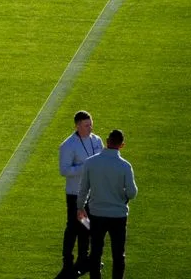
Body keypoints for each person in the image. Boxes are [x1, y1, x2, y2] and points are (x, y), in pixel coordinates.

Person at [77, 129, 138, 279]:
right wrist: (121, 196)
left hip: (97, 214)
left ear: (106, 140)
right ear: (122, 145)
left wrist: (80, 207)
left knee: (96, 252)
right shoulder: (125, 166)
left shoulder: (91, 162)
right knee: (118, 254)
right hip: (118, 215)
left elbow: (83, 188)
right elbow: (132, 193)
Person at [56, 111, 104, 278]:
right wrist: (85, 168)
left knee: (87, 226)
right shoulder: (68, 145)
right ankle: (67, 262)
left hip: (93, 194)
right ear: (77, 125)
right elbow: (64, 170)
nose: (90, 128)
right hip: (76, 196)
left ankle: (84, 259)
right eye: (86, 125)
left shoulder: (96, 140)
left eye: (91, 124)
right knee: (73, 228)